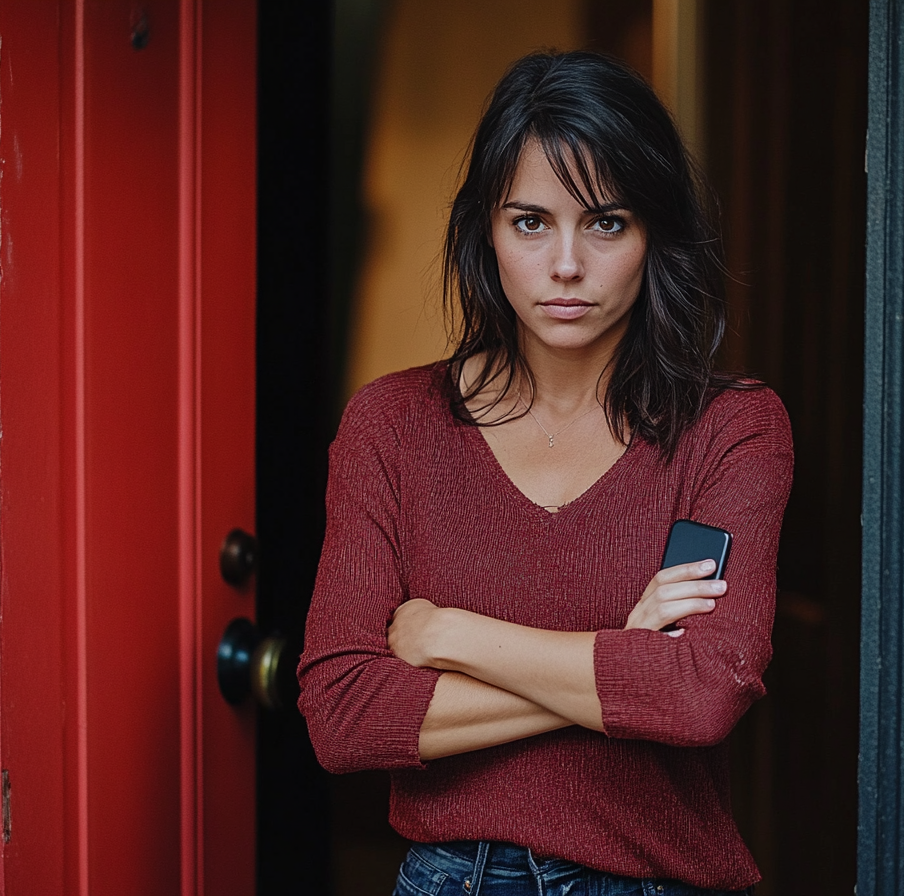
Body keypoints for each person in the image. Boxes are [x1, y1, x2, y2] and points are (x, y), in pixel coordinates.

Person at [297, 50, 792, 896]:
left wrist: (449, 636)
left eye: (606, 222)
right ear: (485, 233)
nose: (566, 264)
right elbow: (344, 716)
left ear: (653, 235)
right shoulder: (392, 425)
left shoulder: (731, 430)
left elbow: (703, 695)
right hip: (452, 880)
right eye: (530, 221)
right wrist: (627, 659)